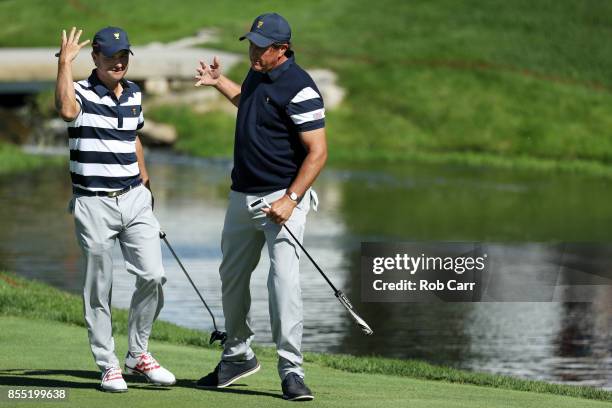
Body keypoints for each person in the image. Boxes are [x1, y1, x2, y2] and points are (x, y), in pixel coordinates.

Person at [194, 13, 328, 401]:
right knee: (232, 279)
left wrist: (291, 199)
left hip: (282, 199)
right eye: (250, 43)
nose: (253, 51)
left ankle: (291, 370)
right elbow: (250, 105)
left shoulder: (300, 88)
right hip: (242, 195)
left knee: (283, 284)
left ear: (282, 49)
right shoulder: (257, 72)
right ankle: (237, 355)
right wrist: (220, 82)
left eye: (261, 46)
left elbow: (318, 153)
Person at [55, 26, 175, 392]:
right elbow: (64, 110)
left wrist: (146, 181)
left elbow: (132, 137)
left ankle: (138, 354)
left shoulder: (135, 94)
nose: (118, 62)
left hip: (135, 198)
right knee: (99, 287)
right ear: (96, 59)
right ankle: (108, 364)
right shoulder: (79, 90)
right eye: (111, 57)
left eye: (123, 56)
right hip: (93, 203)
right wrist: (63, 63)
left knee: (154, 276)